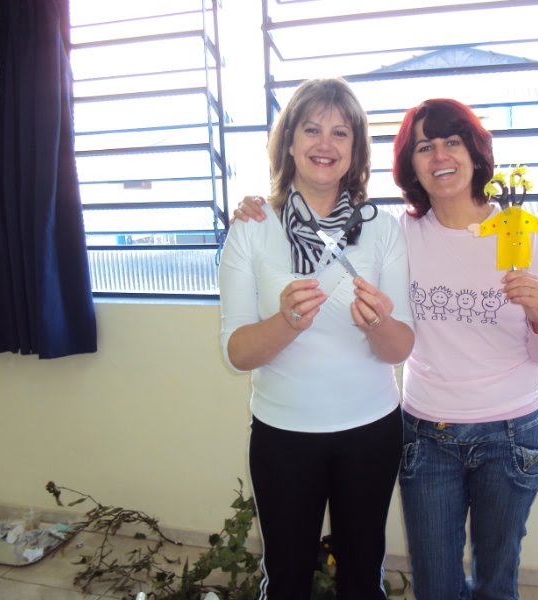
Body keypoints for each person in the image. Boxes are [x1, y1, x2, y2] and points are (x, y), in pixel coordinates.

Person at [233, 97, 538, 600]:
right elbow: (325, 215)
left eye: (453, 142)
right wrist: (257, 209)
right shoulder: (400, 231)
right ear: (410, 163)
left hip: (511, 432)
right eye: (425, 147)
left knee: (497, 583)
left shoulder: (521, 234)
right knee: (435, 588)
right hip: (428, 435)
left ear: (475, 151)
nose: (440, 156)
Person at [218, 77, 414, 600]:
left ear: (356, 150)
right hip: (283, 434)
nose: (325, 144)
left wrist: (378, 325)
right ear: (288, 142)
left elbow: (401, 348)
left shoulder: (382, 228)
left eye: (340, 133)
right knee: (285, 579)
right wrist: (286, 322)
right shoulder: (253, 226)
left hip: (371, 430)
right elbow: (236, 353)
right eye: (311, 129)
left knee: (362, 578)